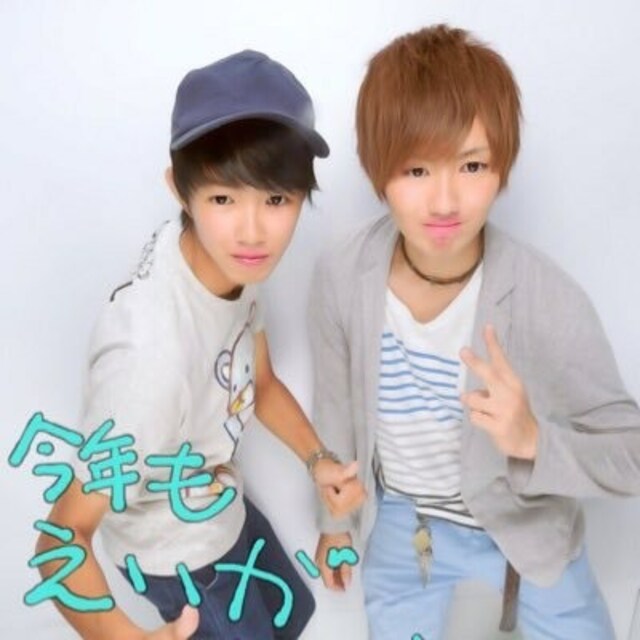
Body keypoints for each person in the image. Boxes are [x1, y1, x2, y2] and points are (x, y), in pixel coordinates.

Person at [309, 24, 640, 640]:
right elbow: (334, 415)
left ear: (501, 167)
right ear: (377, 170)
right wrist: (334, 526)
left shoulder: (546, 296)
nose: (444, 201)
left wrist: (534, 440)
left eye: (472, 165)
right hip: (406, 523)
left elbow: (631, 453)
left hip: (525, 523)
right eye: (415, 169)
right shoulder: (342, 276)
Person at [35, 50, 365, 640]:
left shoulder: (224, 262)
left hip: (219, 505)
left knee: (294, 612)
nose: (253, 232)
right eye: (223, 199)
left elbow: (259, 381)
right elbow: (60, 542)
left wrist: (318, 461)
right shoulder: (148, 360)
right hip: (177, 557)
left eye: (276, 199)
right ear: (179, 189)